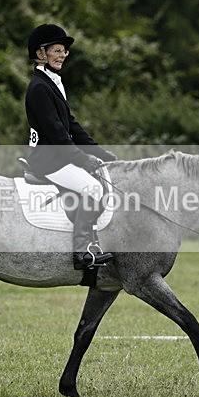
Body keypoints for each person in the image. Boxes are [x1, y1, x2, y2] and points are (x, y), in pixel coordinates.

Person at [24, 23, 118, 270]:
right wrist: (82, 159)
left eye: (64, 50)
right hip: (48, 159)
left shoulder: (52, 82)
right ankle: (83, 253)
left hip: (57, 154)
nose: (63, 54)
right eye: (57, 50)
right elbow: (56, 134)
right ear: (41, 54)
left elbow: (71, 126)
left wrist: (98, 152)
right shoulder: (39, 87)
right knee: (92, 188)